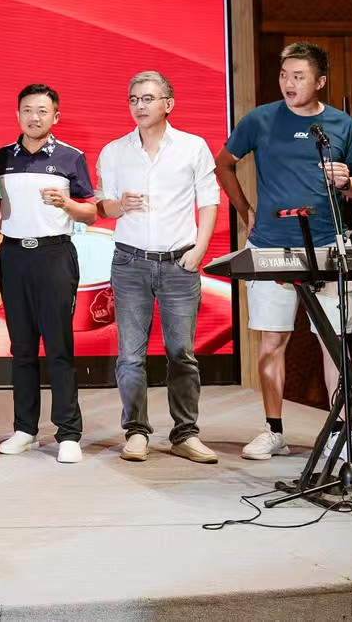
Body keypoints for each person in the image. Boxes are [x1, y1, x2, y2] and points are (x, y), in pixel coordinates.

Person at [215, 42, 352, 463]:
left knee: (335, 343)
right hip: (270, 244)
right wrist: (246, 211)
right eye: (284, 75)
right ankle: (274, 431)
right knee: (272, 341)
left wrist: (347, 182)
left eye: (299, 76)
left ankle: (341, 434)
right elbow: (223, 163)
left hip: (328, 245)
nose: (289, 83)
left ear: (320, 82)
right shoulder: (260, 119)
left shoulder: (340, 124)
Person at [97, 70, 221, 464]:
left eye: (148, 98)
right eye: (134, 99)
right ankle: (136, 431)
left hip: (180, 261)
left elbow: (209, 201)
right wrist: (119, 205)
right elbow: (102, 206)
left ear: (168, 104)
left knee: (181, 352)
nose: (139, 106)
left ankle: (185, 433)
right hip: (130, 262)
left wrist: (199, 249)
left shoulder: (192, 147)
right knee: (130, 355)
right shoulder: (114, 151)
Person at [0, 84, 96, 464]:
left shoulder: (71, 157)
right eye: (28, 110)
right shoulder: (0, 158)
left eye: (42, 111)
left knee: (59, 347)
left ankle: (68, 432)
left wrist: (66, 203)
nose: (34, 117)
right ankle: (25, 429)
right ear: (17, 114)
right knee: (22, 349)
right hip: (13, 256)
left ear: (55, 116)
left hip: (54, 256)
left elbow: (91, 212)